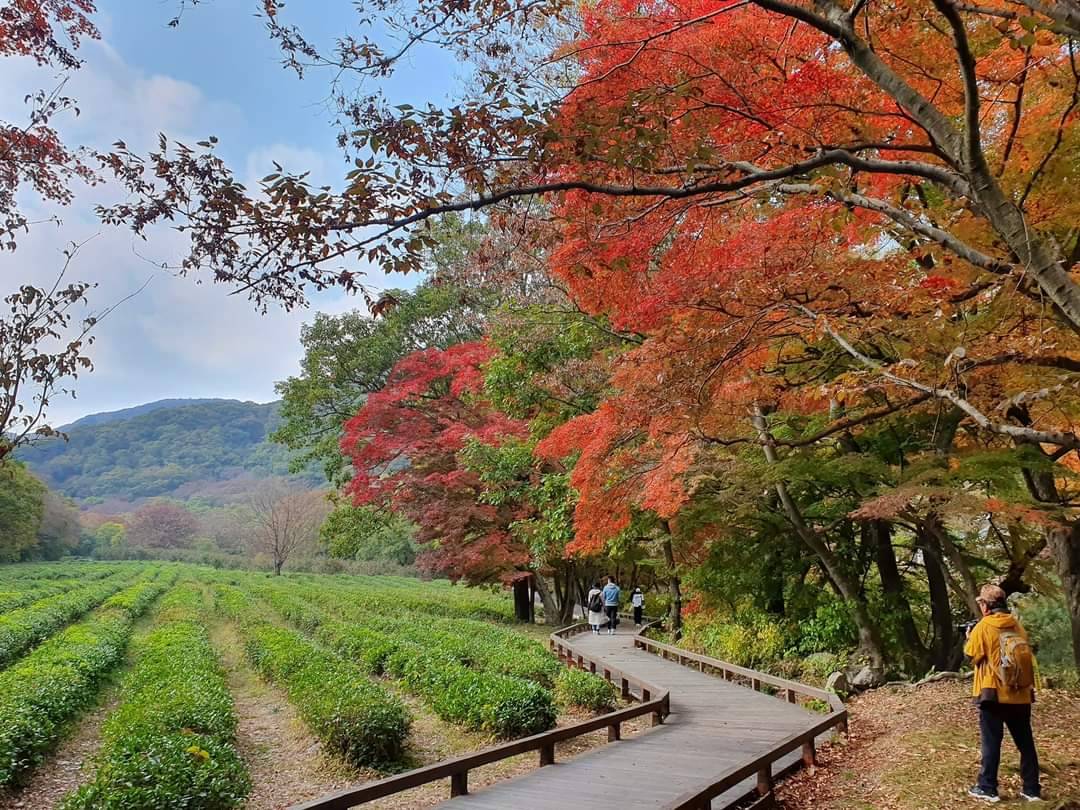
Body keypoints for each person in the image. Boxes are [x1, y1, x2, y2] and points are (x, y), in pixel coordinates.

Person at [964, 584, 1041, 804]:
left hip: (993, 693)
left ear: (986, 606)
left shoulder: (984, 626)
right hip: (1020, 694)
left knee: (991, 742)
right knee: (1026, 744)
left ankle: (987, 788)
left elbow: (973, 654)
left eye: (981, 603)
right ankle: (1032, 790)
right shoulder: (1016, 625)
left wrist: (969, 636)